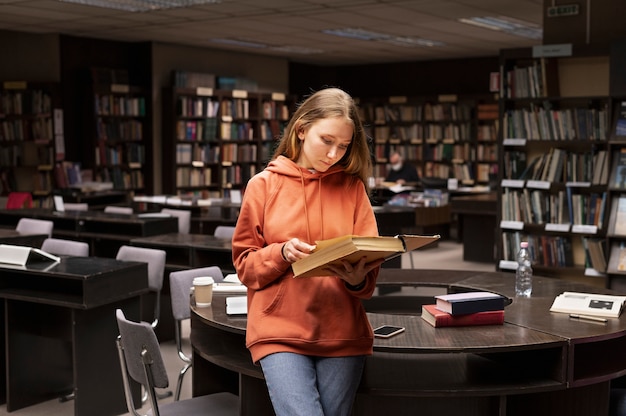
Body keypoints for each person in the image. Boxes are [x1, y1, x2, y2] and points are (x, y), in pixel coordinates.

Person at [232, 87, 384, 416]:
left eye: (343, 146)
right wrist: (282, 253)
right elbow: (244, 266)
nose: (334, 154)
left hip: (342, 328)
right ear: (301, 130)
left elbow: (369, 273)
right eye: (326, 141)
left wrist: (358, 278)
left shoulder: (353, 187)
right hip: (279, 328)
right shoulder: (263, 186)